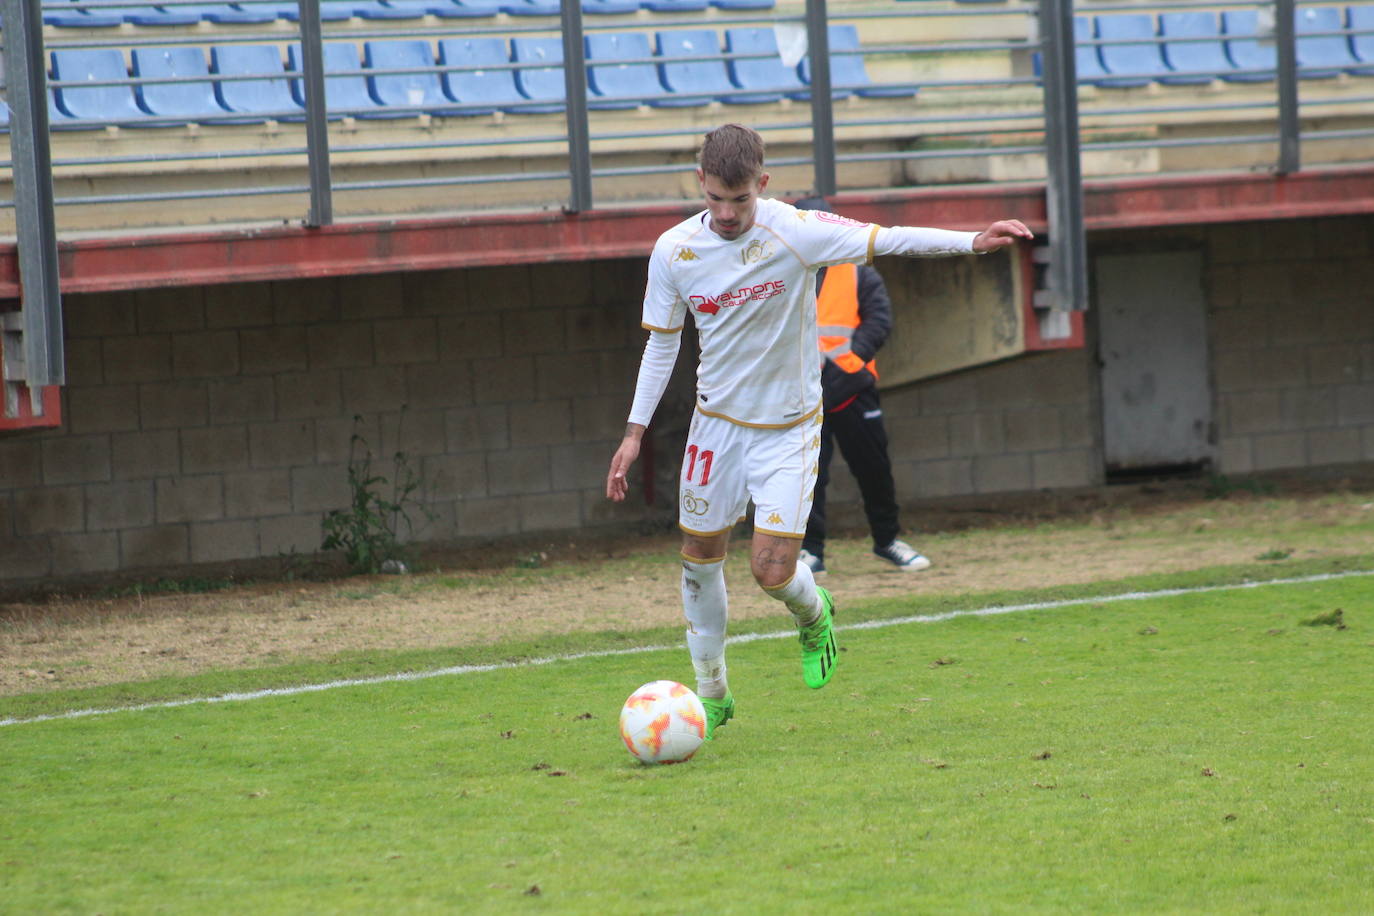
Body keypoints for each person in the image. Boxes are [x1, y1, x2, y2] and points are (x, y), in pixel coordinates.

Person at [605, 124, 1031, 742]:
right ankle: (713, 694)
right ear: (701, 183)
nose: (727, 214)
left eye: (741, 200)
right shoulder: (673, 251)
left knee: (771, 572)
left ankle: (814, 614)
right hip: (714, 427)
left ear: (763, 186)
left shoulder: (795, 231)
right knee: (699, 559)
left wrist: (971, 241)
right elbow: (661, 346)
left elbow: (889, 238)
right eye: (717, 199)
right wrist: (633, 433)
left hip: (788, 431)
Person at [791, 196, 927, 577]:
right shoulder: (781, 273)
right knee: (808, 476)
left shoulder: (858, 271)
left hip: (852, 388)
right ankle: (810, 551)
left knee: (874, 469)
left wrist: (848, 360)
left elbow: (879, 320)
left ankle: (888, 541)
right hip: (802, 394)